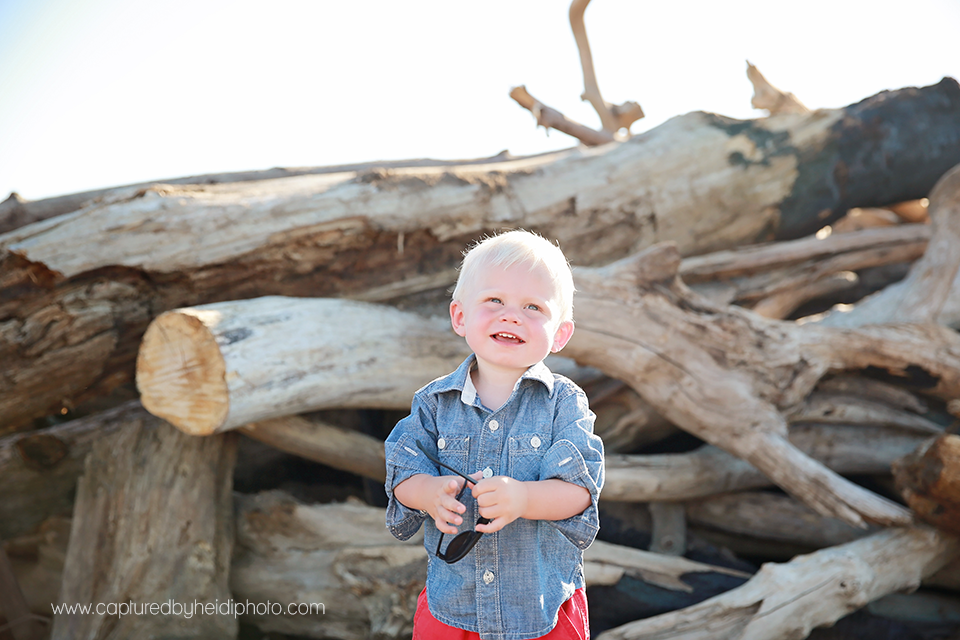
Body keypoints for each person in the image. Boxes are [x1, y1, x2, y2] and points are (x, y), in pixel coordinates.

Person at [384, 229, 605, 640]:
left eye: (533, 307)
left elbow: (580, 493)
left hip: (541, 611)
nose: (512, 315)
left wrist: (524, 497)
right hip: (453, 607)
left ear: (560, 334)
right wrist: (428, 492)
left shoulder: (564, 404)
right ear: (460, 317)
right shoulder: (434, 402)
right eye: (495, 301)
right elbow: (401, 471)